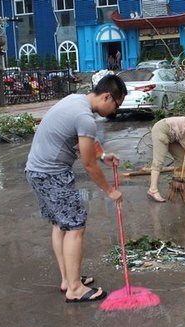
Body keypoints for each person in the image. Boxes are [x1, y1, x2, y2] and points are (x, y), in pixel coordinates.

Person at [25, 75, 127, 302]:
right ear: (107, 96)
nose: (114, 111)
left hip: (36, 171)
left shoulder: (75, 100)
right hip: (52, 174)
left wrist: (102, 155)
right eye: (116, 105)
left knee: (60, 225)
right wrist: (111, 191)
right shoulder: (85, 117)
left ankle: (67, 279)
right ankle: (75, 289)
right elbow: (88, 164)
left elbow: (82, 141)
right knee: (75, 227)